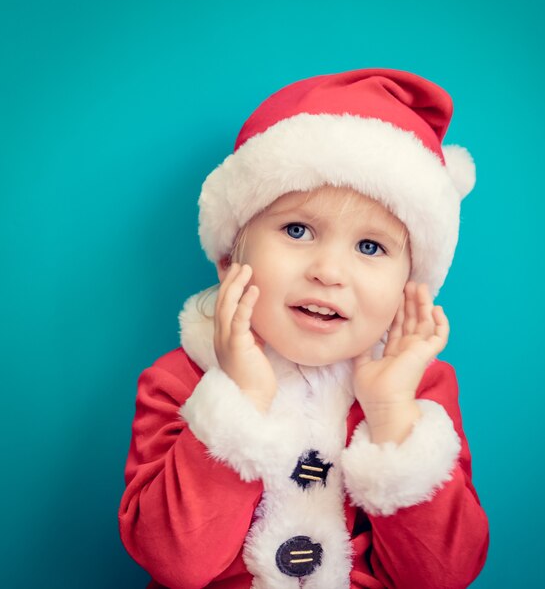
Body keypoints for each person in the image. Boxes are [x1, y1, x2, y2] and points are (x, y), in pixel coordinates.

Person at [118, 68, 490, 589]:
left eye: (370, 247)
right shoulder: (181, 380)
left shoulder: (419, 393)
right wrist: (238, 400)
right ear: (229, 261)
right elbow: (176, 562)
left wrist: (391, 417)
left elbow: (443, 576)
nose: (329, 272)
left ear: (410, 287)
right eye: (298, 230)